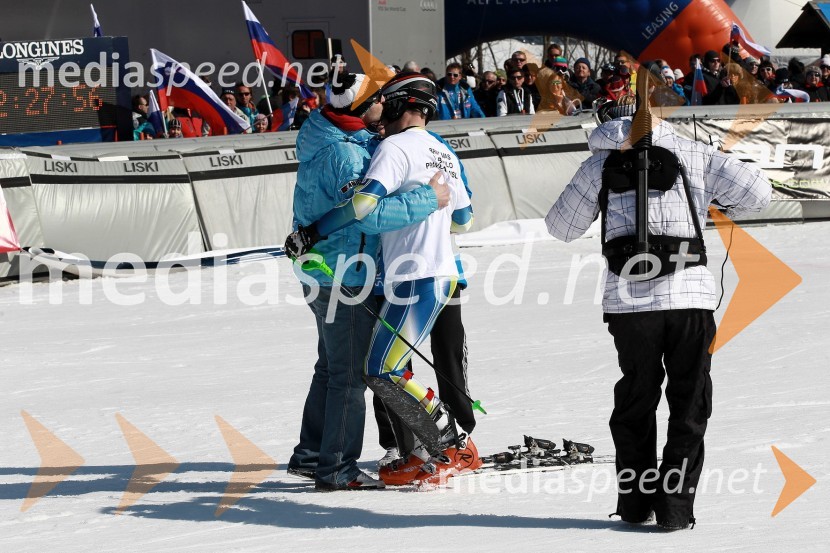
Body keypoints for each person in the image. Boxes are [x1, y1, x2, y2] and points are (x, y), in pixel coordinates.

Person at [545, 79, 771, 530]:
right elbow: (759, 194)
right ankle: (674, 510)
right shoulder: (695, 153)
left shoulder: (599, 164)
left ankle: (633, 504)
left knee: (636, 399)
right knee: (689, 402)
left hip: (629, 306)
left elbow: (560, 228)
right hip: (689, 298)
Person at [285, 72, 478, 484]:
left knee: (335, 366)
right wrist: (430, 198)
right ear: (361, 107)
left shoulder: (340, 140)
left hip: (334, 269)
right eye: (378, 99)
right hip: (348, 275)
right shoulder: (350, 156)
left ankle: (313, 453)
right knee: (355, 374)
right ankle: (338, 467)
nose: (384, 105)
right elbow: (368, 216)